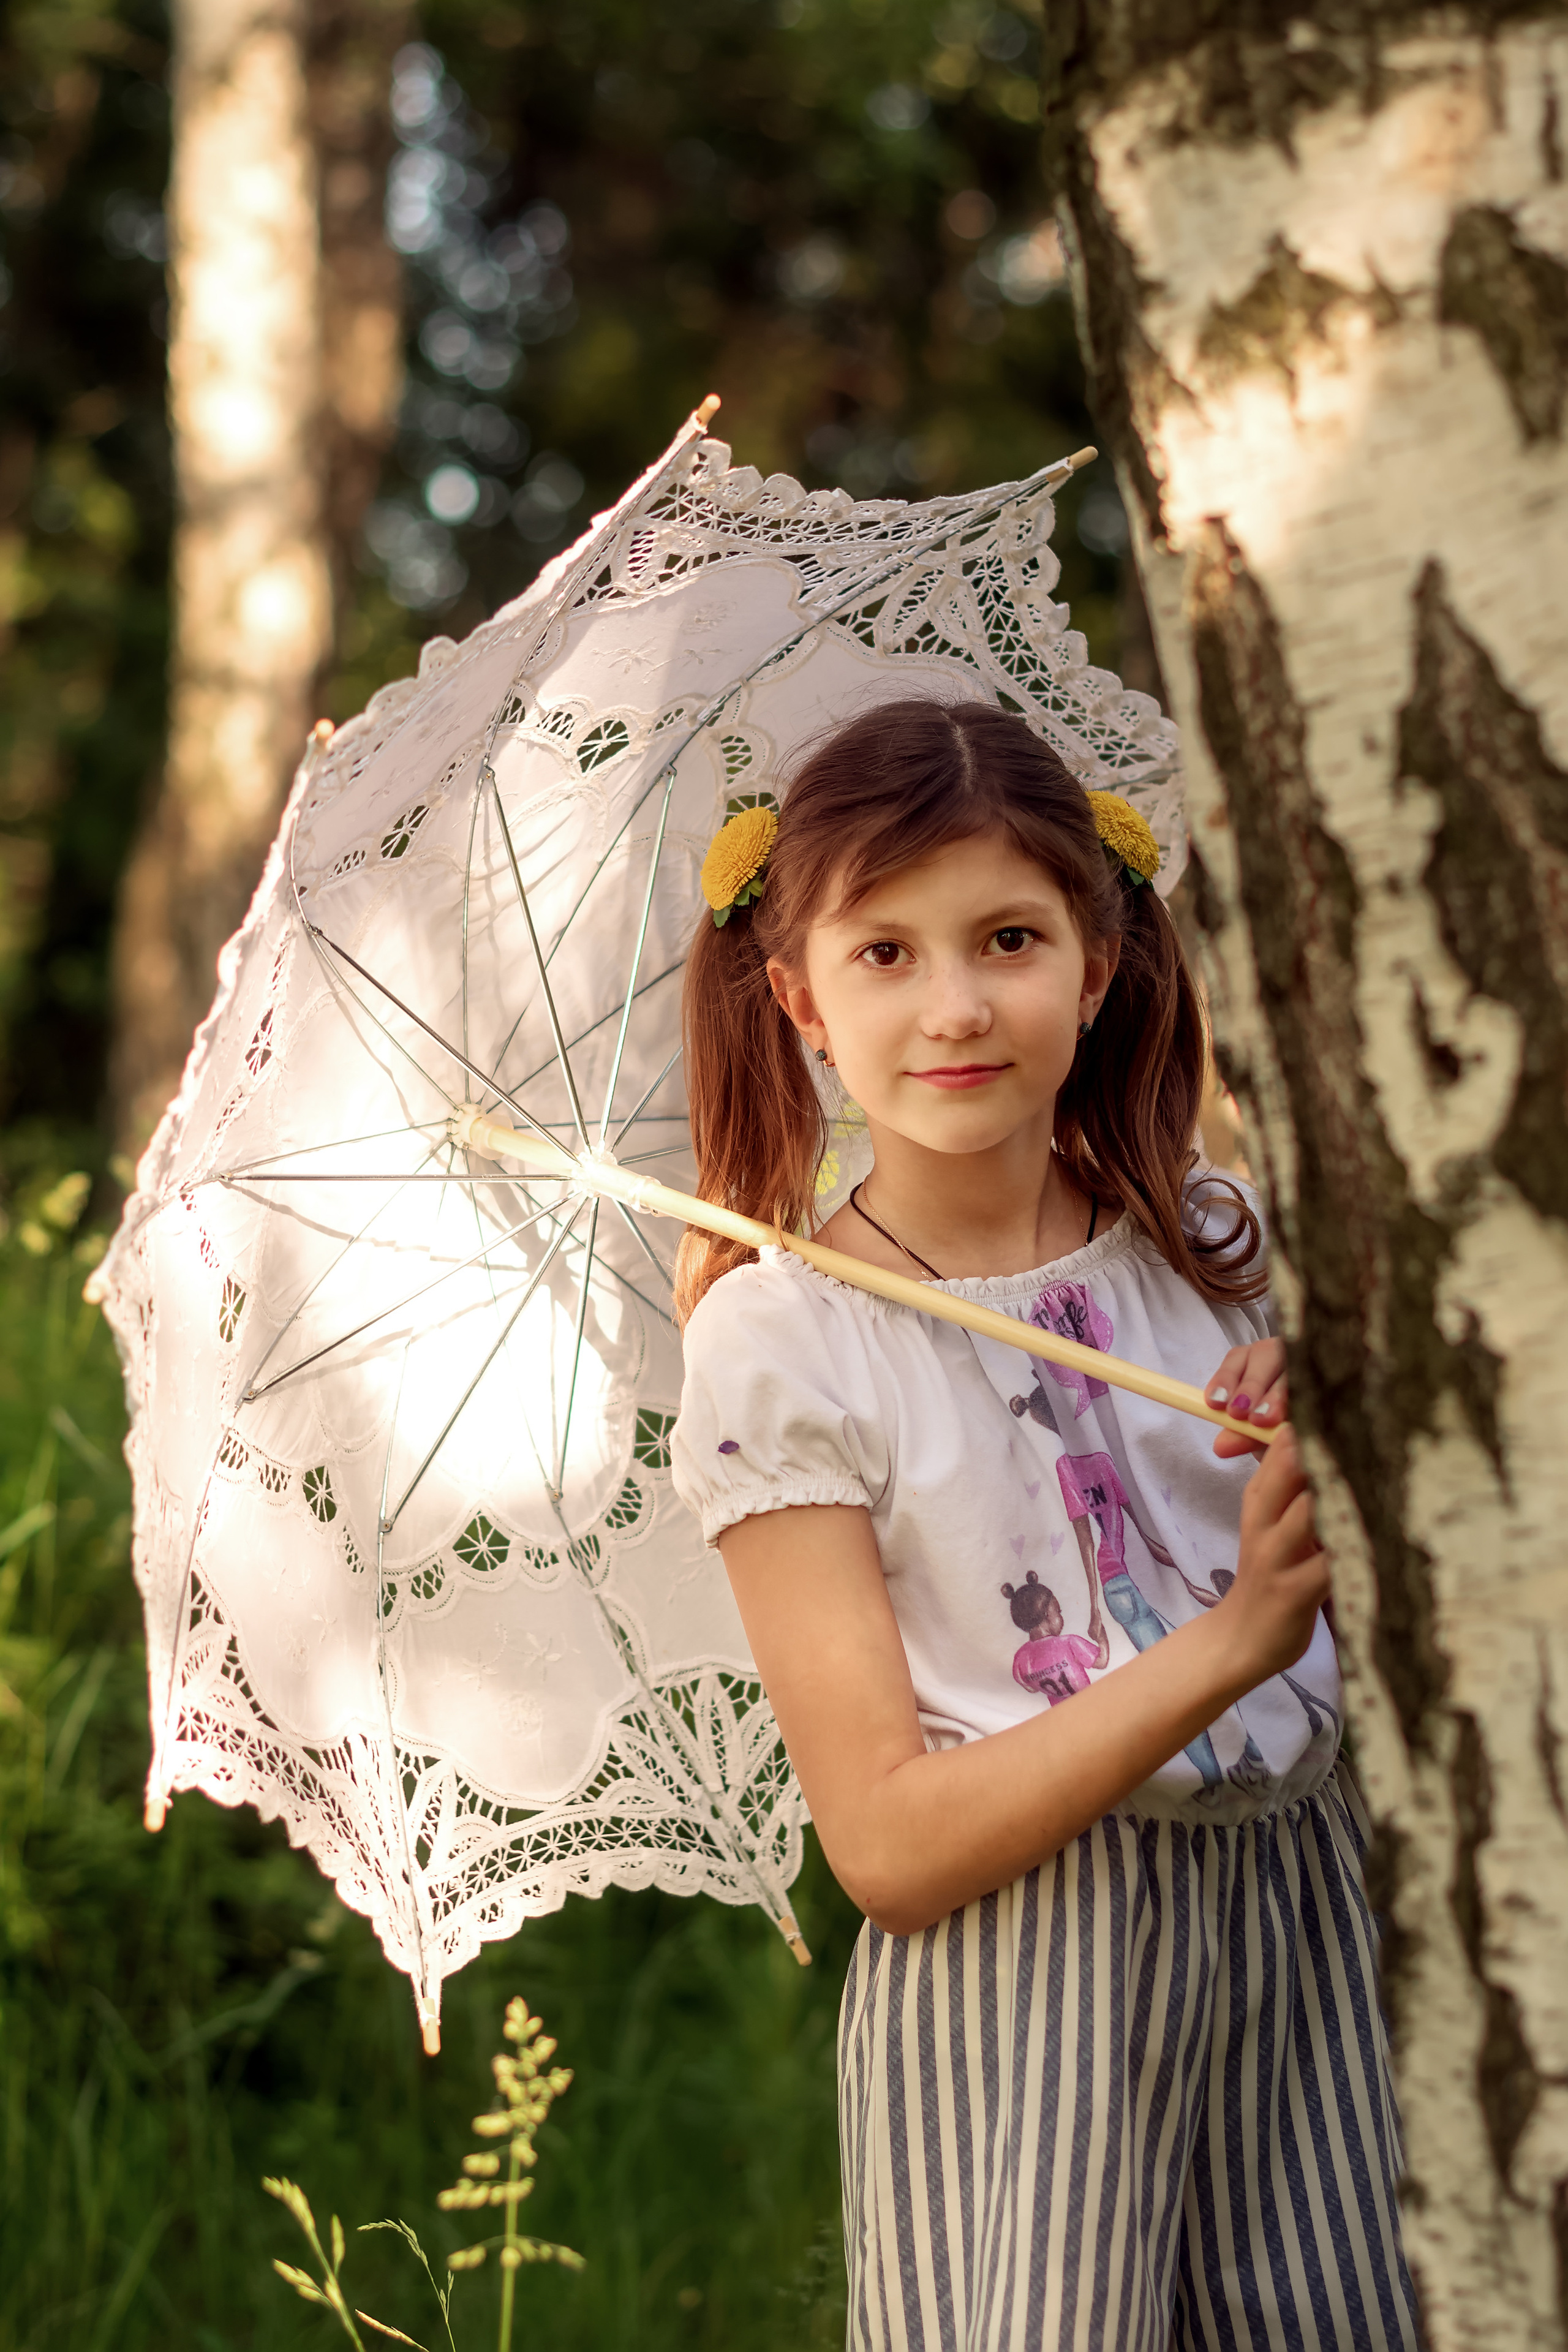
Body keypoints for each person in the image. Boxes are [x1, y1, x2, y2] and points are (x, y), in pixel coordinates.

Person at [669, 700, 1417, 2352]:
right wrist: (1234, 1644)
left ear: (1096, 963)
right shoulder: (781, 1342)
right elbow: (887, 1847)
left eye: (1007, 938)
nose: (954, 1007)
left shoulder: (1211, 1243)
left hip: (1310, 1925)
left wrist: (1350, 1447)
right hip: (1035, 1995)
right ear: (797, 999)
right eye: (884, 954)